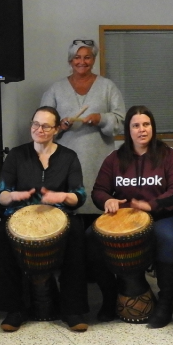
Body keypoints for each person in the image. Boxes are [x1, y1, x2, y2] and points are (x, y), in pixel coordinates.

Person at [90, 106, 173, 329]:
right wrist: (107, 201)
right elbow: (98, 190)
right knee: (91, 238)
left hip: (165, 217)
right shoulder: (114, 158)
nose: (142, 130)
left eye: (146, 124)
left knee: (167, 241)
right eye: (136, 125)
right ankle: (110, 297)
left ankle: (165, 303)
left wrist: (150, 205)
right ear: (128, 129)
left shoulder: (170, 155)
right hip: (125, 220)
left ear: (152, 127)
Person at [0, 106, 88, 333]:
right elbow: (1, 194)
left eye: (46, 126)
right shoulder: (16, 155)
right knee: (0, 236)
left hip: (59, 216)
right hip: (19, 216)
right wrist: (13, 196)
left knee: (77, 232)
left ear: (56, 129)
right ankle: (14, 310)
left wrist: (64, 196)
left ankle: (72, 310)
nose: (39, 129)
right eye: (35, 124)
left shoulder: (68, 157)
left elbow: (80, 196)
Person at [40, 40, 124, 224]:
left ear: (94, 59)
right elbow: (42, 127)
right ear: (70, 60)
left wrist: (101, 118)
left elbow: (120, 122)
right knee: (67, 216)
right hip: (64, 161)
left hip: (99, 160)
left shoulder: (108, 87)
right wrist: (59, 127)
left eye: (87, 57)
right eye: (77, 57)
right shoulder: (55, 89)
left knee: (99, 215)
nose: (82, 62)